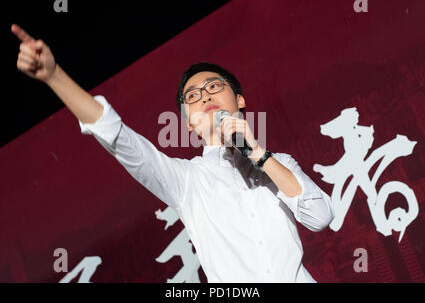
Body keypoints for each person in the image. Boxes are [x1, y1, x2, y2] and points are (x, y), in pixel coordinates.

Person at [12, 24, 335, 283]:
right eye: (192, 96)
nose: (204, 95)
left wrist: (260, 156)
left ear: (239, 100)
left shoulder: (280, 166)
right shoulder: (187, 180)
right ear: (188, 124)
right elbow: (118, 138)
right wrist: (54, 77)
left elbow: (320, 217)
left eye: (214, 86)